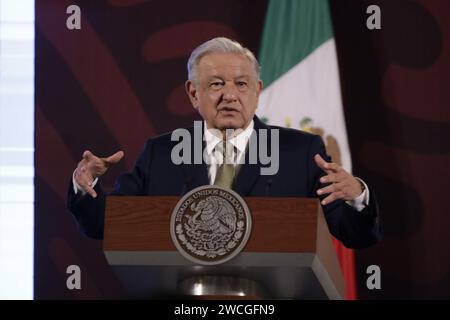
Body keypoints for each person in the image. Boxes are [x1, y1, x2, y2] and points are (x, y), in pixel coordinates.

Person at [67, 37, 381, 248]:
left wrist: (357, 197)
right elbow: (107, 225)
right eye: (216, 84)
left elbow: (353, 234)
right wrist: (85, 186)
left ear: (257, 91)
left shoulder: (302, 153)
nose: (229, 95)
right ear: (193, 93)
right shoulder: (161, 154)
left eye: (241, 84)